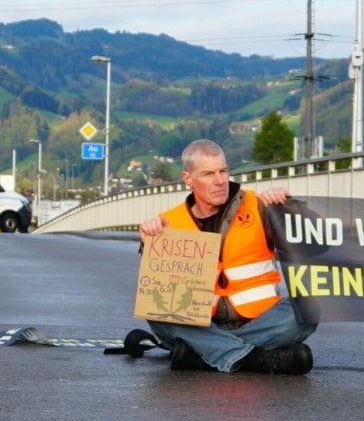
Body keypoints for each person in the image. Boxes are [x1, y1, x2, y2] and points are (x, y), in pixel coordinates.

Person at [132, 139, 316, 374]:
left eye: (223, 171)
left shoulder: (259, 206)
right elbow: (160, 288)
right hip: (201, 323)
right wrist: (148, 239)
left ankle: (203, 354)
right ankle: (254, 358)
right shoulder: (169, 223)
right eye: (208, 174)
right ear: (188, 179)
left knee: (305, 311)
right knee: (159, 314)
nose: (220, 181)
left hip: (261, 319)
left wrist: (289, 207)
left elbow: (311, 243)